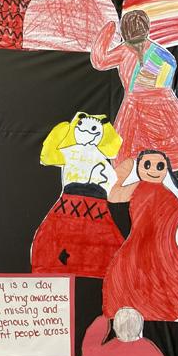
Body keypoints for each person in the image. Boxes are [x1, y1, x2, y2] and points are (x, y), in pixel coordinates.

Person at [91, 10, 178, 170]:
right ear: (147, 28)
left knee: (128, 157)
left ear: (124, 30)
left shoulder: (124, 51)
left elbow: (99, 61)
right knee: (168, 149)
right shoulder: (163, 54)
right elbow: (168, 75)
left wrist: (108, 30)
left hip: (135, 107)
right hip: (164, 105)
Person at [105, 152, 178, 321]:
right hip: (140, 250)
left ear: (166, 169)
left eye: (160, 166)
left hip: (166, 251)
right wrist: (127, 166)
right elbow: (112, 194)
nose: (153, 170)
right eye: (147, 165)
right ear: (139, 167)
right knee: (130, 286)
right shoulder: (137, 187)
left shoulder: (171, 194)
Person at [31, 113, 124, 277]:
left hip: (95, 202)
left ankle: (98, 267)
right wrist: (61, 131)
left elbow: (112, 178)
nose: (86, 131)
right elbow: (47, 157)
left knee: (100, 241)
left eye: (93, 128)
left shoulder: (101, 156)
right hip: (71, 199)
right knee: (57, 237)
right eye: (81, 126)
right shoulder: (69, 151)